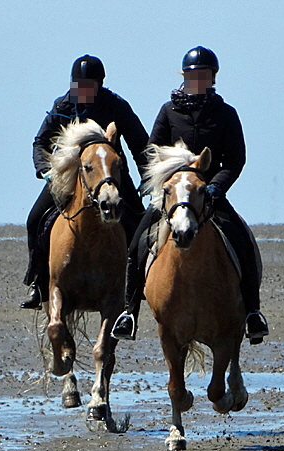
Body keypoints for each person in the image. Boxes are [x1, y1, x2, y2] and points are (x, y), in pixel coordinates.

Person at [111, 46, 269, 344]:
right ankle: (129, 313)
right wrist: (169, 182)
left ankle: (252, 313)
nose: (198, 80)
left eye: (204, 75)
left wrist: (214, 188)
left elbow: (236, 160)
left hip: (208, 194)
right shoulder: (168, 112)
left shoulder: (226, 114)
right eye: (193, 75)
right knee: (137, 244)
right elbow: (152, 153)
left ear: (213, 78)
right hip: (173, 195)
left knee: (242, 239)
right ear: (184, 77)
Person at [21, 54, 148, 309]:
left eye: (89, 86)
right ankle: (38, 283)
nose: (83, 91)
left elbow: (140, 146)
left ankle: (138, 283)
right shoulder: (63, 105)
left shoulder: (116, 106)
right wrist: (45, 170)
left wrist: (147, 180)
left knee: (140, 224)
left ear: (100, 85)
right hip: (68, 178)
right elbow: (40, 142)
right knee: (34, 220)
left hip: (111, 177)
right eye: (79, 86)